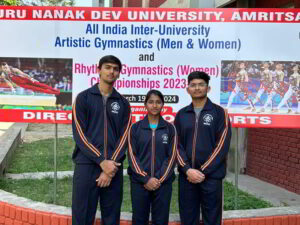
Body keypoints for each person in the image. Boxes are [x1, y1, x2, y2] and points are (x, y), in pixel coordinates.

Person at [72, 55, 131, 225]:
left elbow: (124, 136)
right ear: (98, 70)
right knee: (82, 217)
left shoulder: (123, 103)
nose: (111, 71)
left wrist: (109, 166)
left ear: (119, 73)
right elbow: (80, 135)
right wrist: (101, 161)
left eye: (115, 69)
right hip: (87, 165)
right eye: (107, 67)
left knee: (111, 217)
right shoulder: (83, 98)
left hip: (113, 168)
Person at [175, 71, 231, 225]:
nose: (197, 88)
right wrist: (187, 169)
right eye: (193, 85)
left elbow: (222, 145)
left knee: (212, 219)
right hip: (187, 177)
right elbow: (176, 145)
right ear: (188, 89)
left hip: (211, 177)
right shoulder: (181, 115)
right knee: (187, 218)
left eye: (201, 85)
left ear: (208, 88)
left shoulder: (220, 113)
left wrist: (202, 171)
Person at [127, 89, 177, 225]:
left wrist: (158, 179)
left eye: (158, 102)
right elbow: (132, 156)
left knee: (161, 220)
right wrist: (146, 178)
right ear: (145, 104)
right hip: (139, 183)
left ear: (163, 105)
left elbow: (172, 156)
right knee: (139, 219)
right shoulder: (135, 128)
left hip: (163, 183)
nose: (154, 105)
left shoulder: (170, 128)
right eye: (151, 102)